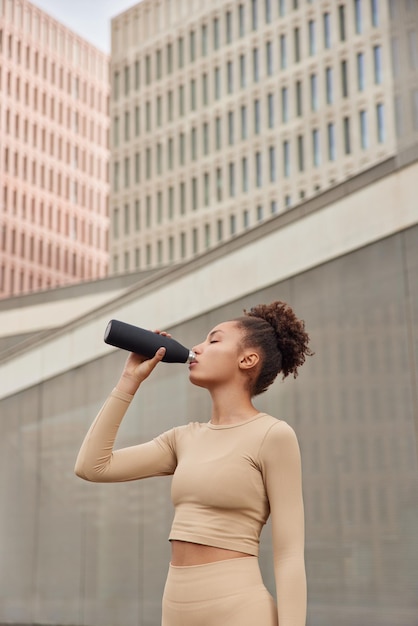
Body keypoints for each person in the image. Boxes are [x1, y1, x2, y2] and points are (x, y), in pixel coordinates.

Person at [75, 300, 313, 626]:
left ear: (248, 359)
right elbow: (92, 466)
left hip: (240, 610)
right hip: (176, 609)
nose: (198, 347)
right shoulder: (182, 439)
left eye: (214, 340)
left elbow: (288, 556)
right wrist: (129, 380)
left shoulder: (273, 435)